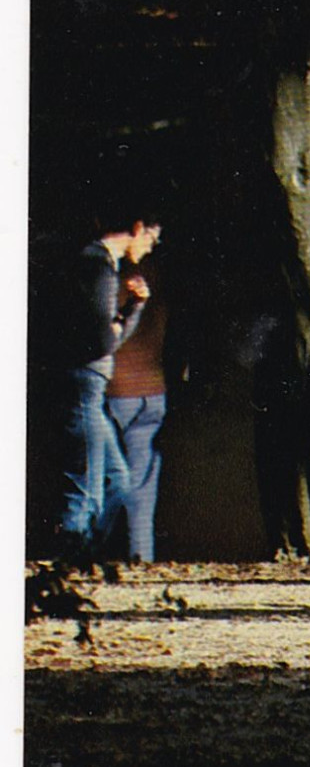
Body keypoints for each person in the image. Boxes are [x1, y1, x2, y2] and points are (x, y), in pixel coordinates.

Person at [52, 200, 163, 565]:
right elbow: (102, 342)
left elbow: (105, 336)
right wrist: (126, 314)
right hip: (85, 384)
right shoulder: (97, 267)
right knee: (86, 488)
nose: (151, 246)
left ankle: (82, 559)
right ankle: (69, 570)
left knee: (118, 483)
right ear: (136, 226)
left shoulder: (102, 266)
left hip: (94, 385)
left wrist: (130, 309)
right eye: (151, 237)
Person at [106, 251, 168, 563]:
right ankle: (140, 559)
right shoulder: (157, 273)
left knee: (103, 480)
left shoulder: (107, 273)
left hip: (114, 389)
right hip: (152, 388)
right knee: (142, 488)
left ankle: (88, 558)